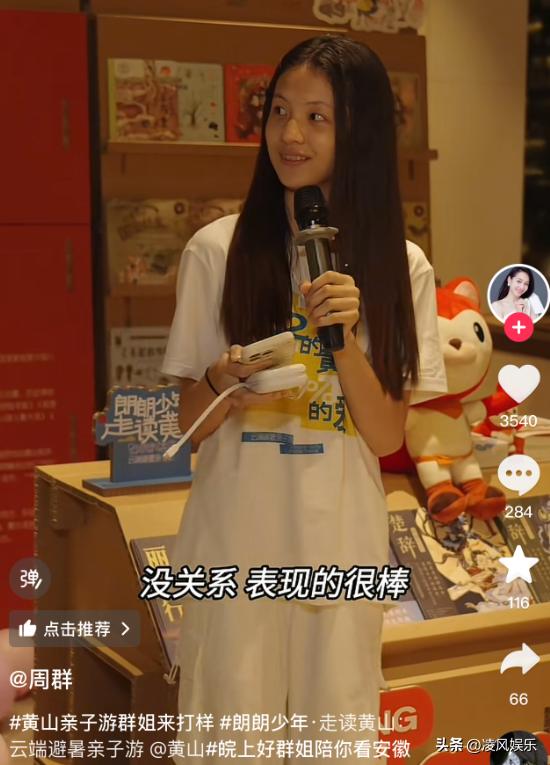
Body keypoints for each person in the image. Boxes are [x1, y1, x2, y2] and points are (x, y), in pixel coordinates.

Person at [161, 35, 447, 762]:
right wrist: (221, 379)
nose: (291, 134)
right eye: (280, 111)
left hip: (339, 550)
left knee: (335, 742)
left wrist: (343, 341)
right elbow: (184, 427)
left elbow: (385, 435)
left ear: (361, 132)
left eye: (318, 117)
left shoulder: (402, 265)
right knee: (229, 742)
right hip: (234, 550)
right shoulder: (215, 250)